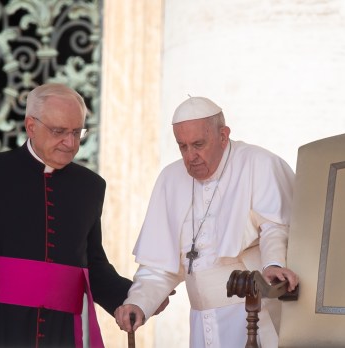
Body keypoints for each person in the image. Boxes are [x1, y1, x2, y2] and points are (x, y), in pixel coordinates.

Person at [0, 83, 144, 347]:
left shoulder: (90, 186)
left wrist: (139, 297)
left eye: (77, 132)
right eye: (60, 132)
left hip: (60, 333)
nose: (71, 143)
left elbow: (93, 266)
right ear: (31, 126)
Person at [114, 96, 299, 347]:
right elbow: (158, 266)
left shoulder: (259, 163)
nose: (191, 156)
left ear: (223, 136)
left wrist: (273, 264)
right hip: (202, 322)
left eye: (198, 144)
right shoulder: (170, 179)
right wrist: (138, 302)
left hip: (254, 316)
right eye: (183, 146)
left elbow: (276, 228)